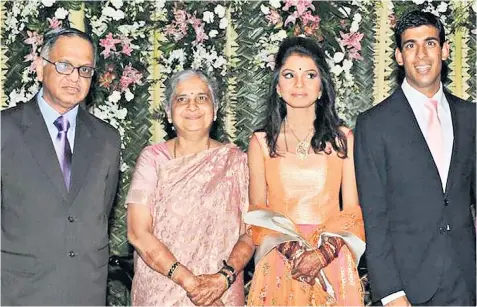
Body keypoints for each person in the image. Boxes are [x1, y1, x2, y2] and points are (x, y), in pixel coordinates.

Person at [354, 10, 476, 306]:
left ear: (445, 50)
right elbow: (375, 217)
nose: (421, 54)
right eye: (410, 45)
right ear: (398, 56)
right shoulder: (374, 124)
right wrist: (392, 293)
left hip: (467, 280)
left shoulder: (471, 117)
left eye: (430, 43)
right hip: (410, 288)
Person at [1, 28, 121, 305]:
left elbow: (99, 212)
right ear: (42, 68)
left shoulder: (107, 140)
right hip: (17, 293)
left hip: (85, 291)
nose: (74, 77)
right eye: (65, 65)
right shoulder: (4, 130)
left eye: (85, 69)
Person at [245, 36, 366, 306]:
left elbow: (352, 211)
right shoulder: (261, 143)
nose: (299, 83)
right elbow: (257, 214)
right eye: (290, 74)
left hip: (332, 259)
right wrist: (295, 252)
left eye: (309, 75)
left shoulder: (343, 139)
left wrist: (322, 255)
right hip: (279, 260)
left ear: (321, 87)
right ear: (278, 86)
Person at [126, 69, 253, 306]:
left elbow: (252, 232)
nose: (192, 106)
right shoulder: (153, 160)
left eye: (202, 98)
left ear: (215, 110)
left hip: (222, 293)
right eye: (182, 99)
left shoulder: (236, 161)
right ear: (168, 113)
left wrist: (220, 281)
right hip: (163, 291)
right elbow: (137, 232)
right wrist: (193, 284)